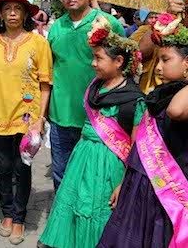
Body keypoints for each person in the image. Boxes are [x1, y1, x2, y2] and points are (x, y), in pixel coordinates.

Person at [98, 14, 188, 247]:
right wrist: (124, 181)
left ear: (187, 62)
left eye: (165, 60)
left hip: (181, 192)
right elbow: (140, 143)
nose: (157, 67)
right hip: (142, 185)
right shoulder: (162, 94)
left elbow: (177, 111)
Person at [40, 17, 144, 248]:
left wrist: (123, 183)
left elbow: (136, 147)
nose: (93, 64)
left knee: (98, 210)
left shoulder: (132, 99)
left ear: (118, 61)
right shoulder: (95, 87)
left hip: (109, 165)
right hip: (83, 155)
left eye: (98, 58)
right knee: (75, 205)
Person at [0, 0, 52, 245]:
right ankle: (7, 214)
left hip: (27, 117)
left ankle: (21, 217)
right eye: (7, 9)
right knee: (2, 167)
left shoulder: (38, 43)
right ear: (1, 14)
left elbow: (45, 83)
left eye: (17, 9)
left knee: (22, 168)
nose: (12, 13)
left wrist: (40, 119)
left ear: (25, 13)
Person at [47, 0, 124, 189]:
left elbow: (124, 65)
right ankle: (63, 221)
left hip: (99, 117)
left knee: (95, 178)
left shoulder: (108, 24)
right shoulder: (55, 28)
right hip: (61, 116)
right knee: (61, 176)